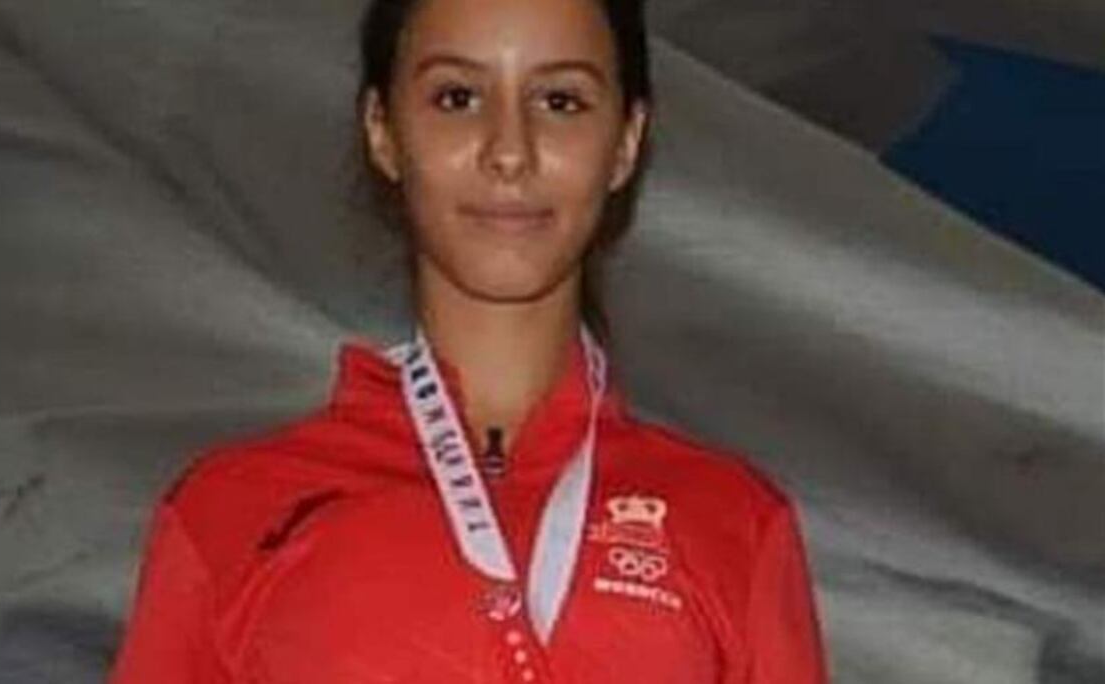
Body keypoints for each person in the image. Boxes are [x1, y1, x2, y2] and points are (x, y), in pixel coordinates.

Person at [109, 0, 829, 681]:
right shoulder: (228, 514)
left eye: (561, 101)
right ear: (383, 130)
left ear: (625, 142)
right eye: (457, 97)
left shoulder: (736, 523)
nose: (509, 151)